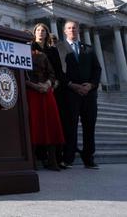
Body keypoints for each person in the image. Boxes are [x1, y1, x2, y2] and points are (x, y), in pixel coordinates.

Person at [56, 20, 102, 169]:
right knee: (70, 126)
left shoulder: (88, 48)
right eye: (69, 28)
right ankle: (68, 157)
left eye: (74, 28)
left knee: (89, 127)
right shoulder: (59, 48)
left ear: (78, 30)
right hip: (70, 92)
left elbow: (97, 69)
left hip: (88, 94)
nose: (72, 30)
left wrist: (91, 85)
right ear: (64, 31)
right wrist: (70, 84)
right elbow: (58, 71)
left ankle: (88, 157)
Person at [27, 24, 65, 171]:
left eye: (43, 30)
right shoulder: (25, 52)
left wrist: (48, 84)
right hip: (32, 89)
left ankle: (53, 159)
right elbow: (22, 73)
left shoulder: (44, 54)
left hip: (46, 90)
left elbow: (52, 72)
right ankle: (34, 159)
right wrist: (34, 85)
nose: (41, 33)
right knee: (34, 124)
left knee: (52, 123)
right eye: (38, 30)